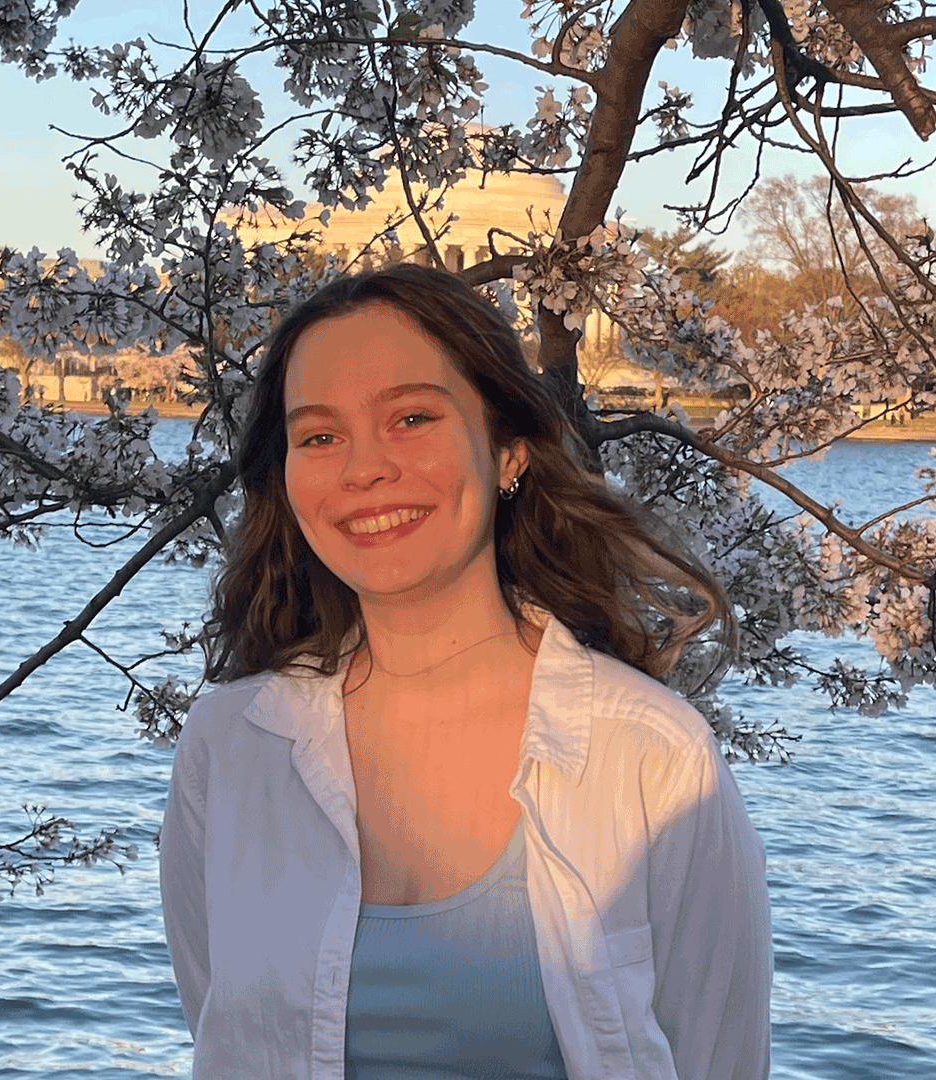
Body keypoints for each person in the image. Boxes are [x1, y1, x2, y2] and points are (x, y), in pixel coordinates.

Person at [159, 262, 772, 1080]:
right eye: (319, 436)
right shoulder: (230, 748)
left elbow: (718, 1060)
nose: (363, 468)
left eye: (411, 417)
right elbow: (221, 1029)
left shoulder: (653, 758)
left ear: (508, 449)